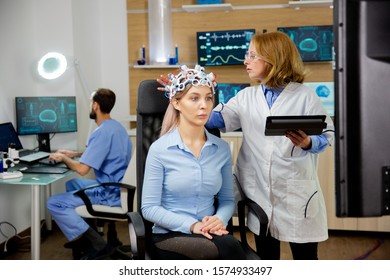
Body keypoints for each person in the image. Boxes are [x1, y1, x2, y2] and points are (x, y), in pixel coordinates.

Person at [158, 31, 334, 260]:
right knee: (266, 259)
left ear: (272, 59)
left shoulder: (305, 96)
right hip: (260, 194)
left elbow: (327, 135)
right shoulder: (246, 97)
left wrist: (308, 142)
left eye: (252, 55)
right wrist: (181, 94)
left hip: (297, 194)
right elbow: (213, 119)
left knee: (306, 260)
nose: (245, 60)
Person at [142, 65, 257, 260]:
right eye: (194, 98)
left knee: (225, 247)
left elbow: (227, 200)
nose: (203, 105)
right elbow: (149, 208)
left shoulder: (220, 149)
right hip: (169, 234)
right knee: (228, 249)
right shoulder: (159, 149)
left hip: (210, 232)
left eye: (208, 98)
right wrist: (192, 225)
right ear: (176, 103)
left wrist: (219, 219)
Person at [47, 88, 132, 260]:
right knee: (72, 185)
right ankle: (88, 233)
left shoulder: (101, 132)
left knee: (54, 203)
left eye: (91, 103)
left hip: (110, 193)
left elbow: (82, 170)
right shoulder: (116, 127)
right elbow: (105, 153)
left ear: (95, 105)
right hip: (122, 187)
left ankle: (97, 244)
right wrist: (74, 154)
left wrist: (63, 158)